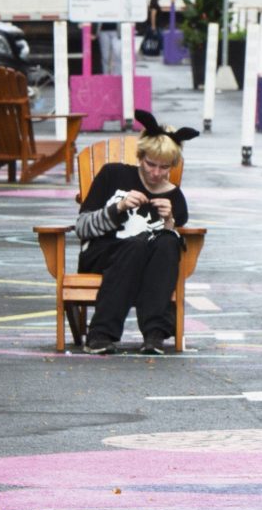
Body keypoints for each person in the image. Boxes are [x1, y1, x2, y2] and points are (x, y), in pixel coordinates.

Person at [73, 114, 196, 355]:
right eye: (151, 164)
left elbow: (167, 256)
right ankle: (100, 333)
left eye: (164, 167)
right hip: (103, 254)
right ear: (140, 157)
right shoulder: (113, 175)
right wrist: (117, 208)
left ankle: (154, 336)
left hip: (147, 264)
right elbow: (82, 227)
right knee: (136, 247)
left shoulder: (175, 197)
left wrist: (169, 222)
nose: (156, 173)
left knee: (169, 243)